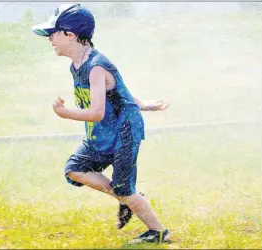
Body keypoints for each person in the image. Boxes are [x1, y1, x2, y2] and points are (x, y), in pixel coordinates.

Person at [32, 3, 171, 244]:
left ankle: (158, 232)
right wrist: (145, 104)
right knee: (75, 169)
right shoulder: (76, 65)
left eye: (53, 33)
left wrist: (64, 113)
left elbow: (96, 112)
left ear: (70, 34)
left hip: (124, 130)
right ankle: (127, 198)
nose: (50, 39)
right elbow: (120, 92)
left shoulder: (95, 66)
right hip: (103, 130)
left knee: (123, 187)